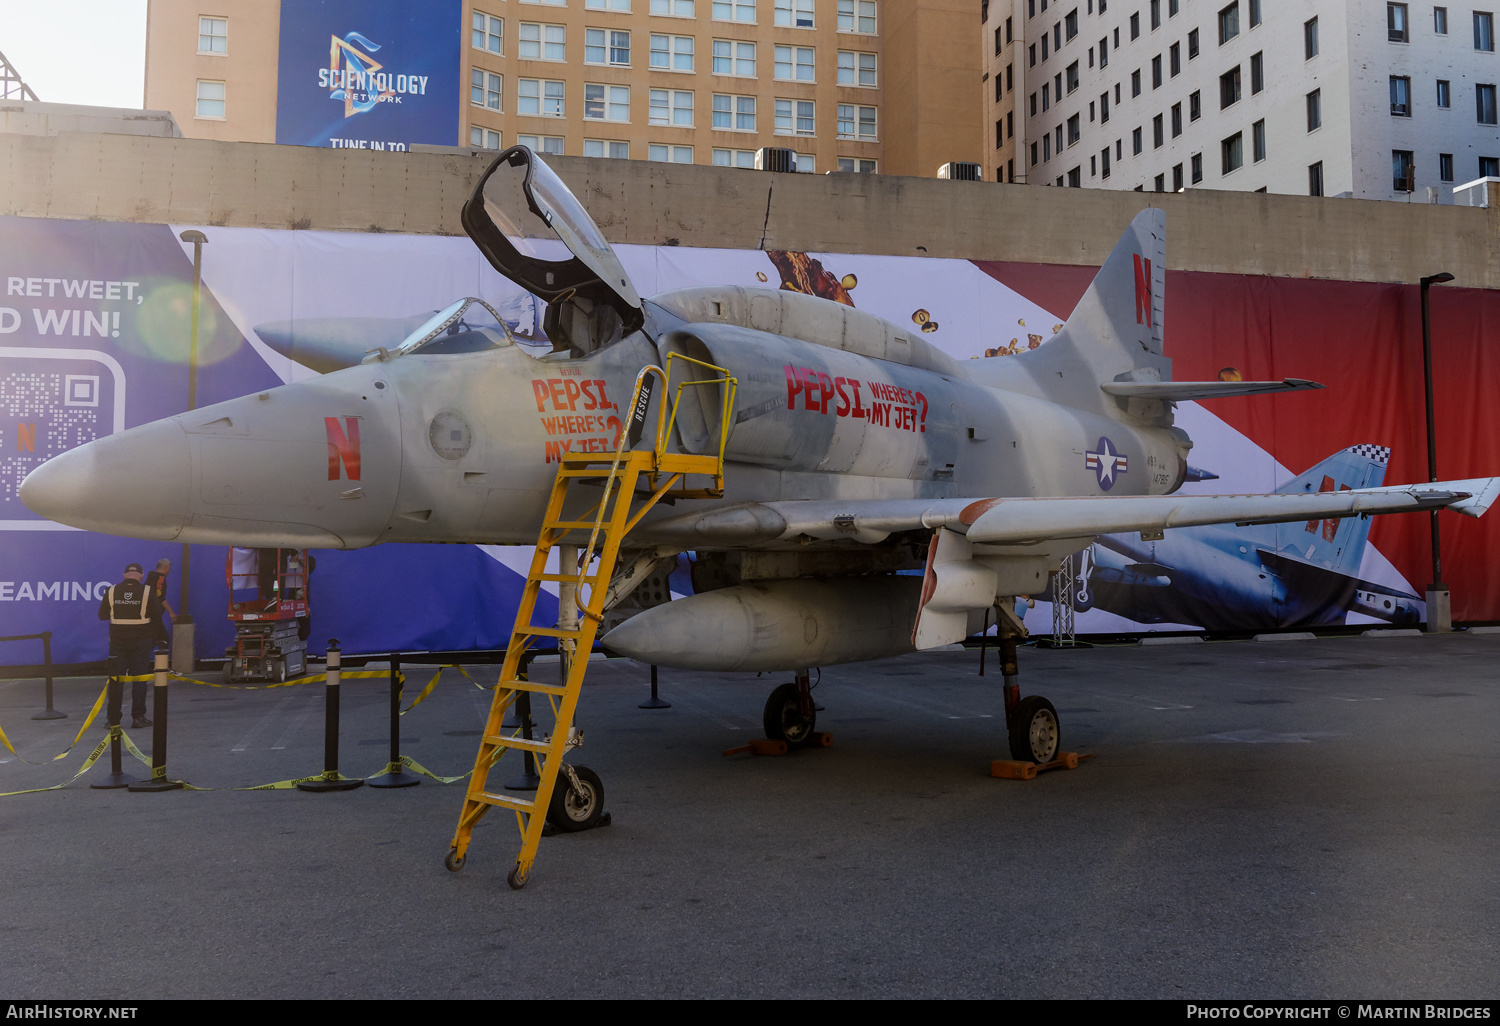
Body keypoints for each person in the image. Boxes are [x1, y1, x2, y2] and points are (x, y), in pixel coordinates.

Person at [98, 562, 166, 729]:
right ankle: (138, 717)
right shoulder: (148, 591)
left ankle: (112, 719)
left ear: (124, 575)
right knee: (139, 679)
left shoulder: (111, 590)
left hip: (117, 642)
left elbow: (102, 615)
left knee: (115, 681)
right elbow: (157, 614)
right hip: (141, 642)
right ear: (141, 576)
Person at [142, 558, 177, 651]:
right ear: (165, 567)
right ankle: (160, 664)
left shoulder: (150, 578)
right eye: (169, 569)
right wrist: (171, 613)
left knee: (153, 640)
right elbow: (160, 596)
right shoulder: (160, 578)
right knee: (163, 639)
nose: (169, 572)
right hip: (154, 615)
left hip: (146, 615)